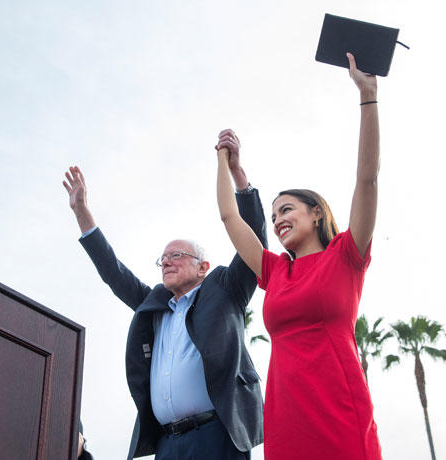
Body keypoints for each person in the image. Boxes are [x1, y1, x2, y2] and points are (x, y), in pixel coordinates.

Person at [214, 53, 383, 460]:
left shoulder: (347, 254)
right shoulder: (274, 271)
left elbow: (367, 176)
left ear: (317, 213)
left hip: (339, 412)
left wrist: (368, 97)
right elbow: (228, 216)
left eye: (286, 210)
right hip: (286, 419)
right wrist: (225, 160)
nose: (277, 221)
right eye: (273, 217)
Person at [62, 145, 267, 460]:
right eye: (163, 258)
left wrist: (238, 176)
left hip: (216, 436)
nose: (166, 263)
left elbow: (252, 241)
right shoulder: (154, 305)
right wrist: (81, 213)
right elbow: (113, 273)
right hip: (168, 443)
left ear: (203, 267)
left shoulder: (225, 289)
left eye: (177, 255)